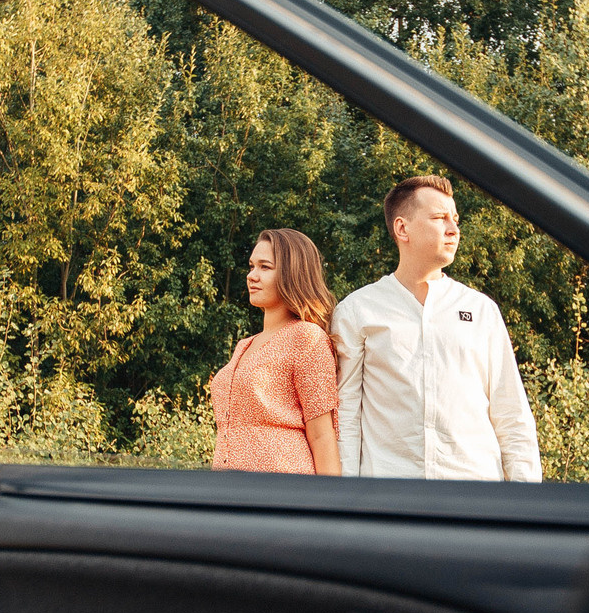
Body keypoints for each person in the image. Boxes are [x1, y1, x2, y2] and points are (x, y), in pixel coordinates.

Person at [333, 175, 542, 481]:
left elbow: (511, 415)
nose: (453, 230)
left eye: (455, 219)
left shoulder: (481, 310)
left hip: (475, 496)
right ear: (402, 228)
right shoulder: (357, 310)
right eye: (439, 218)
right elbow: (346, 415)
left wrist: (527, 503)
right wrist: (345, 500)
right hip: (390, 499)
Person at [209, 228, 342, 475]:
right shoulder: (244, 345)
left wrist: (330, 507)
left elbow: (322, 436)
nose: (252, 276)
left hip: (283, 490)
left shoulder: (307, 337)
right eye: (251, 266)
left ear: (293, 274)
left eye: (265, 267)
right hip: (227, 490)